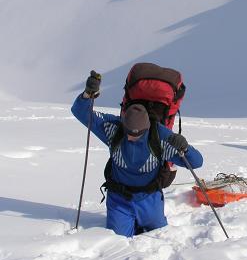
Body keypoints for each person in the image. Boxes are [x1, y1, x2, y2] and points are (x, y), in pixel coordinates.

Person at [71, 71, 203, 237]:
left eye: (137, 134)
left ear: (146, 128)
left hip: (149, 200)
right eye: (128, 132)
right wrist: (88, 94)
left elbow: (197, 162)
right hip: (119, 200)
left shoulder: (160, 137)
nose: (131, 137)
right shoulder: (113, 129)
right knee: (117, 240)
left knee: (158, 238)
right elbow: (80, 112)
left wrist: (185, 148)